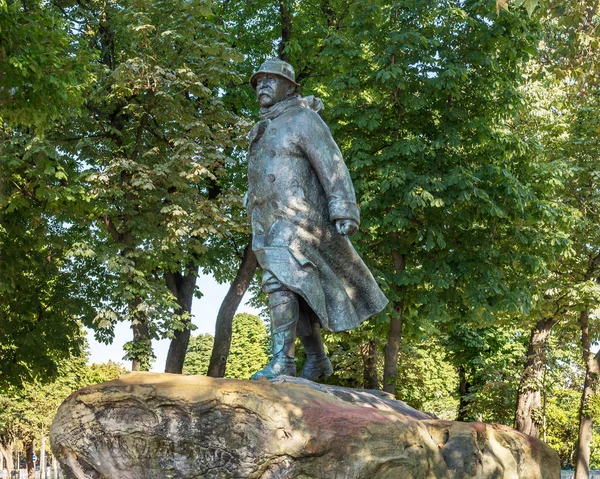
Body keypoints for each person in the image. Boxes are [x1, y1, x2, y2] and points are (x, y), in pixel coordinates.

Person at [246, 58, 388, 380]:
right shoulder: (264, 127)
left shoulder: (303, 119)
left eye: (272, 80)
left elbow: (331, 162)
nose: (263, 87)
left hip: (300, 219)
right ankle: (318, 358)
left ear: (289, 88)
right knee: (298, 287)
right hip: (268, 219)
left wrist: (344, 206)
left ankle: (283, 361)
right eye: (259, 82)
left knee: (279, 280)